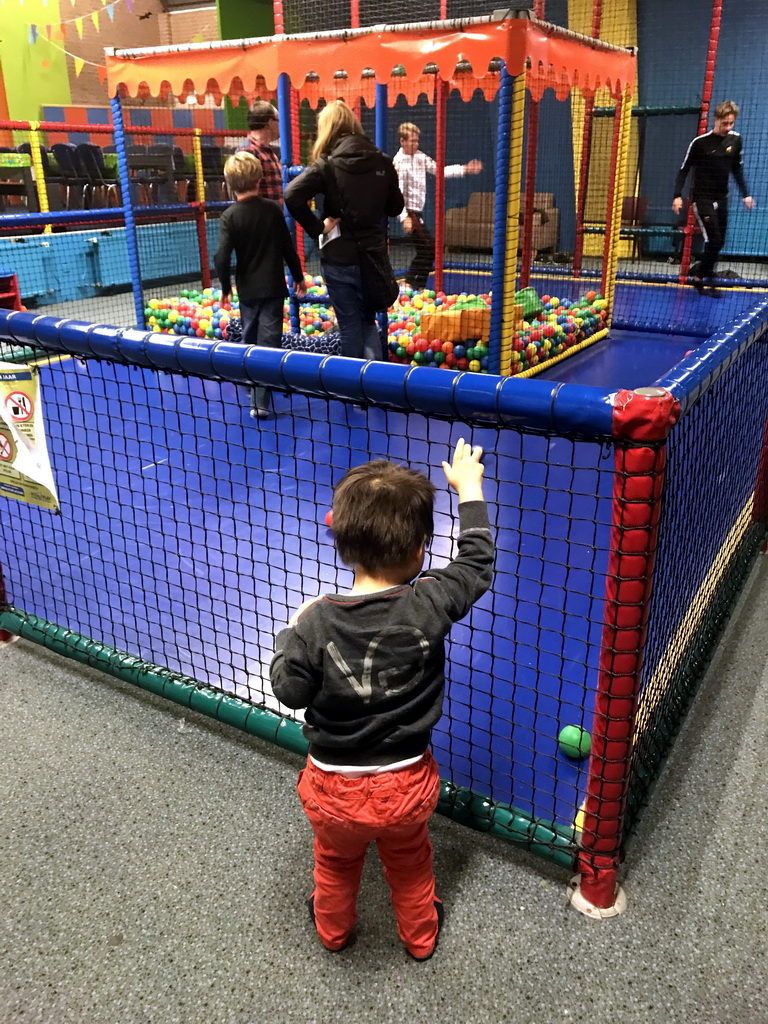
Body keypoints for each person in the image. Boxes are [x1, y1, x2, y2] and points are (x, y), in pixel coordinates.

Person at [270, 439, 494, 961]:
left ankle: (333, 932)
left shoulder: (317, 621)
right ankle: (420, 939)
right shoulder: (431, 600)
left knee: (335, 862)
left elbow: (290, 691)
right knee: (411, 862)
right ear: (420, 548)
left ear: (341, 542)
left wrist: (291, 632)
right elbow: (477, 562)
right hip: (406, 784)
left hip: (332, 788)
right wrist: (470, 488)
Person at [284, 100, 404, 361]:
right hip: (371, 257)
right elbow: (396, 207)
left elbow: (291, 194)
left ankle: (353, 392)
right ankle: (374, 385)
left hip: (338, 257)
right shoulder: (382, 161)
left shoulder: (327, 165)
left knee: (350, 325)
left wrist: (319, 228)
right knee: (367, 321)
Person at [214, 152, 306, 418]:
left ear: (230, 184)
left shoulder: (230, 216)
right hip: (273, 289)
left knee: (249, 338)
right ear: (259, 178)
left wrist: (225, 287)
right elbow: (288, 248)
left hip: (248, 290)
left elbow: (221, 256)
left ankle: (251, 384)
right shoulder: (272, 210)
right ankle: (259, 400)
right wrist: (298, 276)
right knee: (268, 343)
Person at [673, 100, 755, 297]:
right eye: (724, 123)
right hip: (702, 199)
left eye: (731, 124)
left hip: (722, 197)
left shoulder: (735, 140)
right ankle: (708, 279)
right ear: (716, 120)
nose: (728, 127)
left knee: (719, 241)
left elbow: (737, 168)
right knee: (714, 239)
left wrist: (746, 194)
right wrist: (677, 196)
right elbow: (684, 170)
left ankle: (700, 276)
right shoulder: (700, 143)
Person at [392, 122, 483, 292]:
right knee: (428, 247)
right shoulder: (398, 164)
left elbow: (439, 170)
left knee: (427, 249)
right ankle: (410, 282)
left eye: (417, 141)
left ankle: (418, 286)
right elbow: (397, 193)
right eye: (412, 141)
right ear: (402, 141)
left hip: (417, 211)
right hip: (410, 212)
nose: (416, 144)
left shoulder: (420, 157)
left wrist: (465, 169)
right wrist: (404, 217)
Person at [237, 99, 284, 205]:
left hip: (273, 216)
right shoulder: (248, 152)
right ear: (270, 123)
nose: (279, 125)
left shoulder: (269, 152)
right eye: (278, 120)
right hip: (261, 218)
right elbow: (246, 198)